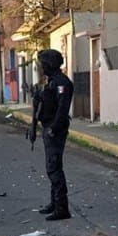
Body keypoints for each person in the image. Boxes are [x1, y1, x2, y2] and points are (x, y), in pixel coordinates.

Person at [35, 49, 74, 221]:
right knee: (51, 167)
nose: (40, 67)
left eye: (42, 63)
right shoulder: (50, 81)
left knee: (54, 168)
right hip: (49, 127)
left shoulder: (61, 83)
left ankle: (61, 208)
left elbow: (62, 109)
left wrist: (54, 128)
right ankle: (54, 203)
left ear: (48, 64)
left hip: (55, 130)